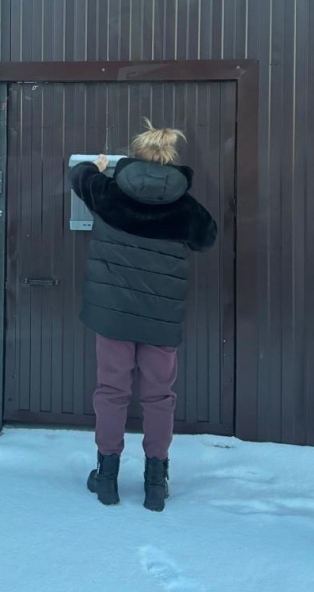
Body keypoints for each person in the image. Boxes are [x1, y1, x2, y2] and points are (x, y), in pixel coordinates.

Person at [69, 120, 217, 512]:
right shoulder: (185, 207)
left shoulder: (108, 193)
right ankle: (155, 483)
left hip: (113, 316)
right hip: (161, 319)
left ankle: (107, 478)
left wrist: (99, 167)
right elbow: (207, 238)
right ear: (170, 158)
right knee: (159, 397)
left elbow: (77, 174)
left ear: (134, 156)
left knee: (111, 391)